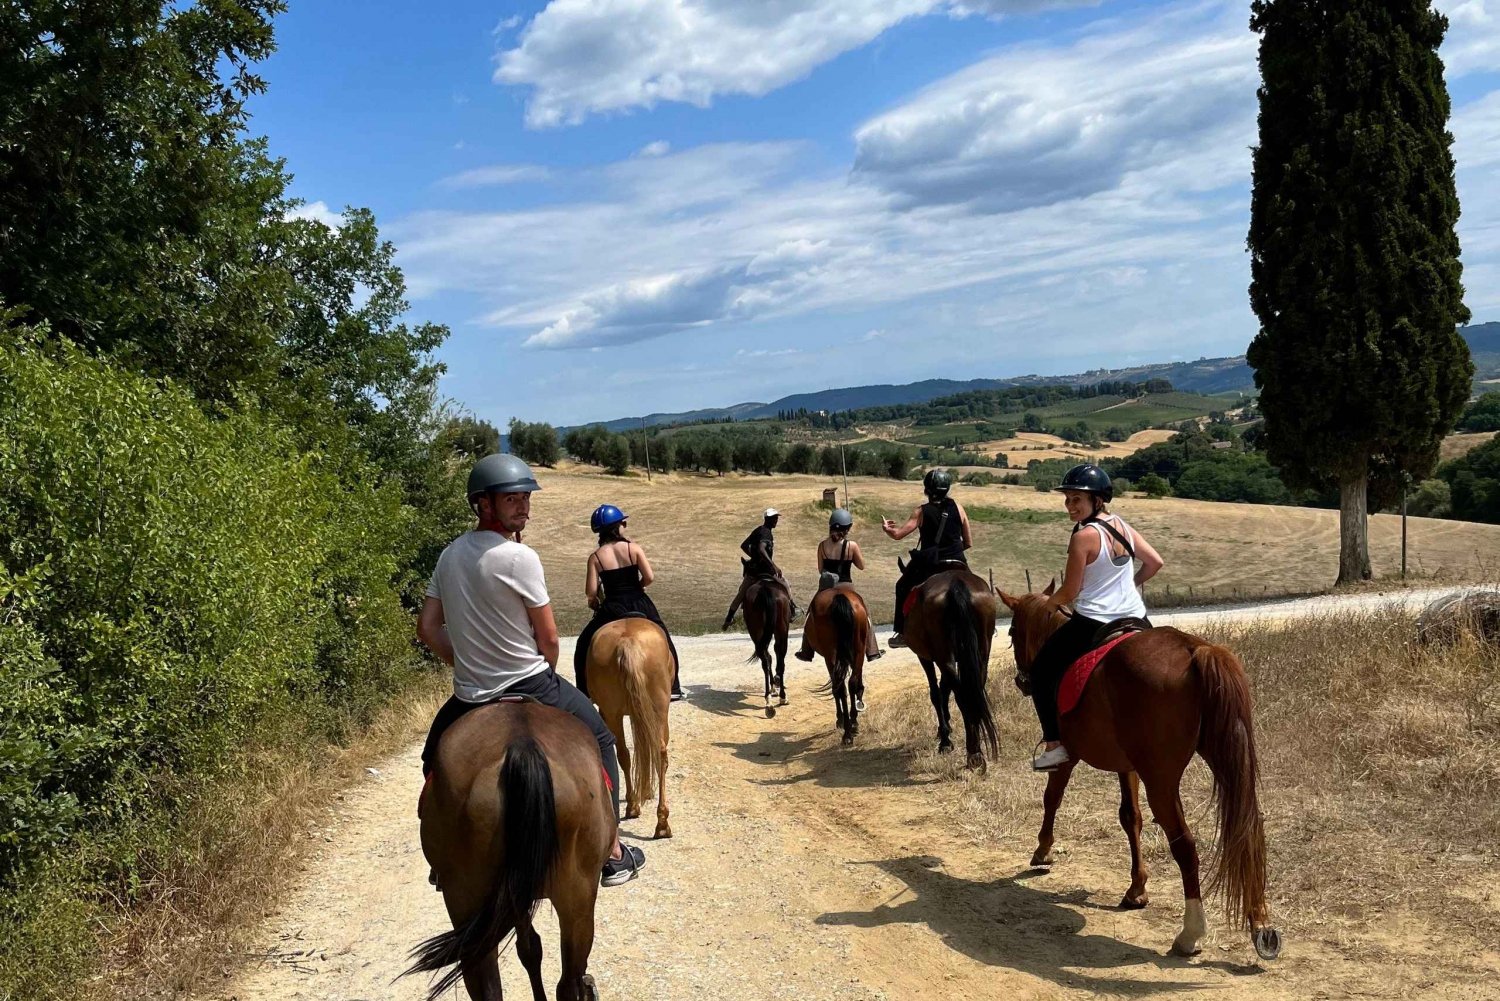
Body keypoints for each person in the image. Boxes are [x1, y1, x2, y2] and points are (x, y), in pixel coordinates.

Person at [416, 453, 646, 887]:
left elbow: (428, 628)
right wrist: (548, 678)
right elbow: (551, 639)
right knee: (602, 738)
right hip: (532, 681)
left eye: (525, 498)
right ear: (483, 504)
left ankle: (443, 855)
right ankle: (612, 852)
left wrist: (465, 665)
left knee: (434, 758)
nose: (524, 507)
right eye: (512, 500)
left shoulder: (448, 556)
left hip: (470, 695)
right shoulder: (520, 557)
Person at [1027, 463, 1164, 772]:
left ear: (1097, 500)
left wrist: (1050, 605)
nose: (1070, 506)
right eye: (1068, 499)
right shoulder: (1123, 526)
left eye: (1077, 499)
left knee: (1041, 671)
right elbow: (1155, 562)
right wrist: (1128, 586)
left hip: (1094, 622)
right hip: (1137, 618)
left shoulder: (1083, 537)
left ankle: (1054, 745)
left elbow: (1071, 590)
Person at [573, 504, 684, 702]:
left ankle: (584, 692)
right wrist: (638, 587)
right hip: (639, 601)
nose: (625, 524)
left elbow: (590, 592)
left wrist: (595, 601)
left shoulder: (595, 558)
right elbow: (649, 577)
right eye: (623, 522)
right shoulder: (633, 548)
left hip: (612, 606)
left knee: (583, 644)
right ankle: (674, 687)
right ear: (617, 527)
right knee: (664, 637)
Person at [882, 469, 972, 648]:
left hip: (932, 563)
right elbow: (968, 542)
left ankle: (901, 633)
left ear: (927, 490)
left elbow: (898, 534)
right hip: (958, 560)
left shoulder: (921, 512)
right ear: (947, 489)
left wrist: (887, 529)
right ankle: (986, 626)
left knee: (901, 586)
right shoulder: (958, 508)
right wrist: (952, 550)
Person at [795, 508, 883, 662]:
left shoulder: (822, 546)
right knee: (866, 614)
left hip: (826, 587)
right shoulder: (852, 546)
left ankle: (806, 650)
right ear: (847, 528)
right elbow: (862, 565)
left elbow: (821, 569)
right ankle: (872, 649)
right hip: (846, 585)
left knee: (810, 614)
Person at [722, 507, 798, 629]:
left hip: (753, 571)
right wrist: (773, 565)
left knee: (741, 594)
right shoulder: (766, 533)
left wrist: (754, 557)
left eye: (776, 518)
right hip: (766, 571)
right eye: (774, 518)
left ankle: (728, 619)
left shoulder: (758, 530)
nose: (776, 521)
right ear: (768, 519)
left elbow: (744, 545)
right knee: (785, 584)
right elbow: (762, 549)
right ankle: (793, 610)